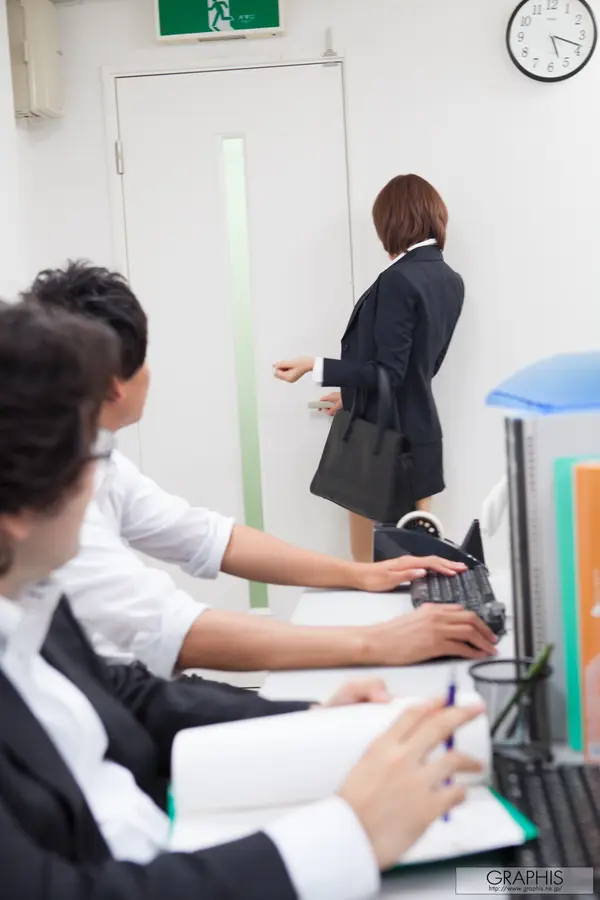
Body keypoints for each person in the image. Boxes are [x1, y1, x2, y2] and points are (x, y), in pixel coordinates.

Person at [0, 300, 485, 900]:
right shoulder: (51, 571)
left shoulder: (33, 598)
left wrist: (311, 715)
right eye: (85, 457)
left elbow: (134, 691)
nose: (94, 476)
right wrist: (349, 834)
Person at [27, 261, 496, 679]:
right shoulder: (51, 499)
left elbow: (209, 538)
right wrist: (376, 643)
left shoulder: (99, 461)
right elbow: (175, 632)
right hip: (105, 690)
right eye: (142, 359)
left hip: (118, 681)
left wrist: (360, 574)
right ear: (116, 384)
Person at [274, 174, 464, 563]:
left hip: (381, 443)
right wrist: (351, 396)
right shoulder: (449, 279)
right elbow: (419, 369)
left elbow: (390, 372)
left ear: (392, 221)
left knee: (370, 567)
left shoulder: (399, 280)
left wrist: (315, 366)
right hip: (421, 438)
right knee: (416, 564)